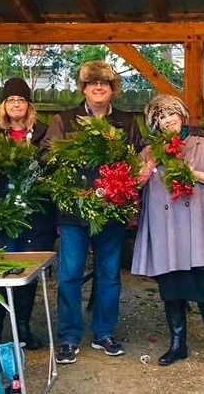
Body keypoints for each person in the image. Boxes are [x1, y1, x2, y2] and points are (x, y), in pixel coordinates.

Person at [41, 61, 143, 364]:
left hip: (111, 210)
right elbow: (46, 154)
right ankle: (69, 337)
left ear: (113, 90)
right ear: (83, 88)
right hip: (74, 210)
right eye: (93, 83)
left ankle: (104, 333)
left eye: (105, 84)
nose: (99, 88)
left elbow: (141, 155)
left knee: (110, 275)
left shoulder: (126, 122)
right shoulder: (64, 120)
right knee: (70, 274)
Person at [131, 94, 204, 375]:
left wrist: (195, 174)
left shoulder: (202, 146)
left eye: (171, 114)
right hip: (165, 230)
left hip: (194, 230)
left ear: (181, 116)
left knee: (203, 289)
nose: (167, 120)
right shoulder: (150, 151)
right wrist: (143, 172)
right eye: (161, 117)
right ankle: (178, 344)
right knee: (171, 289)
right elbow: (136, 183)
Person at [0, 77, 54, 348]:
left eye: (21, 100)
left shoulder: (44, 133)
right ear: (4, 105)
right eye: (11, 100)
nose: (16, 104)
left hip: (35, 215)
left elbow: (51, 167)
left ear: (28, 105)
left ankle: (22, 327)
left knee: (28, 270)